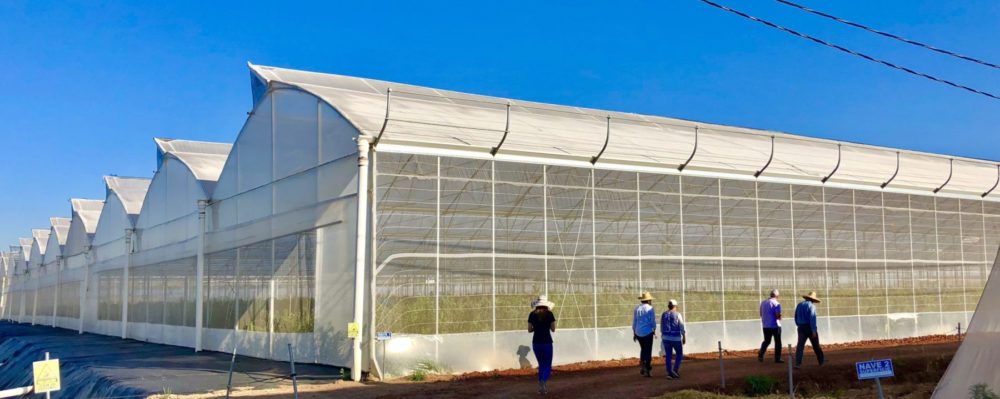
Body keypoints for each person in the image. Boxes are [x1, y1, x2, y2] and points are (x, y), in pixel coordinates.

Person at [528, 295, 556, 394]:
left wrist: (537, 328)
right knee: (547, 364)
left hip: (536, 342)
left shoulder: (532, 314)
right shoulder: (550, 314)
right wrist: (546, 326)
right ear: (546, 304)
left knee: (541, 364)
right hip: (547, 342)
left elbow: (529, 330)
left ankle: (541, 386)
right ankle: (543, 382)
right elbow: (553, 329)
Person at [794, 291, 825, 368]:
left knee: (800, 346)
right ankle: (821, 361)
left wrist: (798, 324)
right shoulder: (811, 306)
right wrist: (813, 330)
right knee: (816, 345)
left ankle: (798, 363)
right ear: (813, 300)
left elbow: (795, 316)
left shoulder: (799, 305)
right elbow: (812, 318)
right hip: (809, 327)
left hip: (801, 327)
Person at [660, 299, 686, 379]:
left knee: (668, 355)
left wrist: (663, 335)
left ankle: (669, 373)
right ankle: (675, 370)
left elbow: (661, 326)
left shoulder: (664, 314)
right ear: (674, 306)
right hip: (675, 338)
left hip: (665, 338)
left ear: (668, 306)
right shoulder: (678, 314)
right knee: (679, 354)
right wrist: (684, 336)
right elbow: (681, 326)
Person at [632, 291, 656, 377]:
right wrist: (654, 329)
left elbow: (634, 321)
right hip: (648, 332)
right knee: (648, 350)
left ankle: (642, 365)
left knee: (643, 349)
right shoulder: (650, 308)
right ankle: (647, 368)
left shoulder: (636, 308)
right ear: (648, 300)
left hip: (638, 332)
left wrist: (634, 332)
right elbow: (652, 321)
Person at [757, 289, 785, 363]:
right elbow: (777, 316)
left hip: (765, 326)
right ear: (777, 296)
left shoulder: (763, 303)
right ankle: (777, 358)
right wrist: (780, 317)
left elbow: (761, 314)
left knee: (767, 341)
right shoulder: (776, 303)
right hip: (775, 326)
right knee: (778, 342)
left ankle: (761, 353)